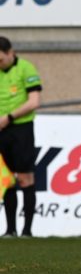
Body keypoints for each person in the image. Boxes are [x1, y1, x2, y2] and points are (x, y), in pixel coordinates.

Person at [0, 37, 41, 239]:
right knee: (6, 179)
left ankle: (27, 231)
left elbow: (34, 101)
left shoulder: (26, 68)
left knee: (25, 178)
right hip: (1, 131)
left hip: (21, 129)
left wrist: (8, 117)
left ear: (10, 53)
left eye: (0, 59)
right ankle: (10, 230)